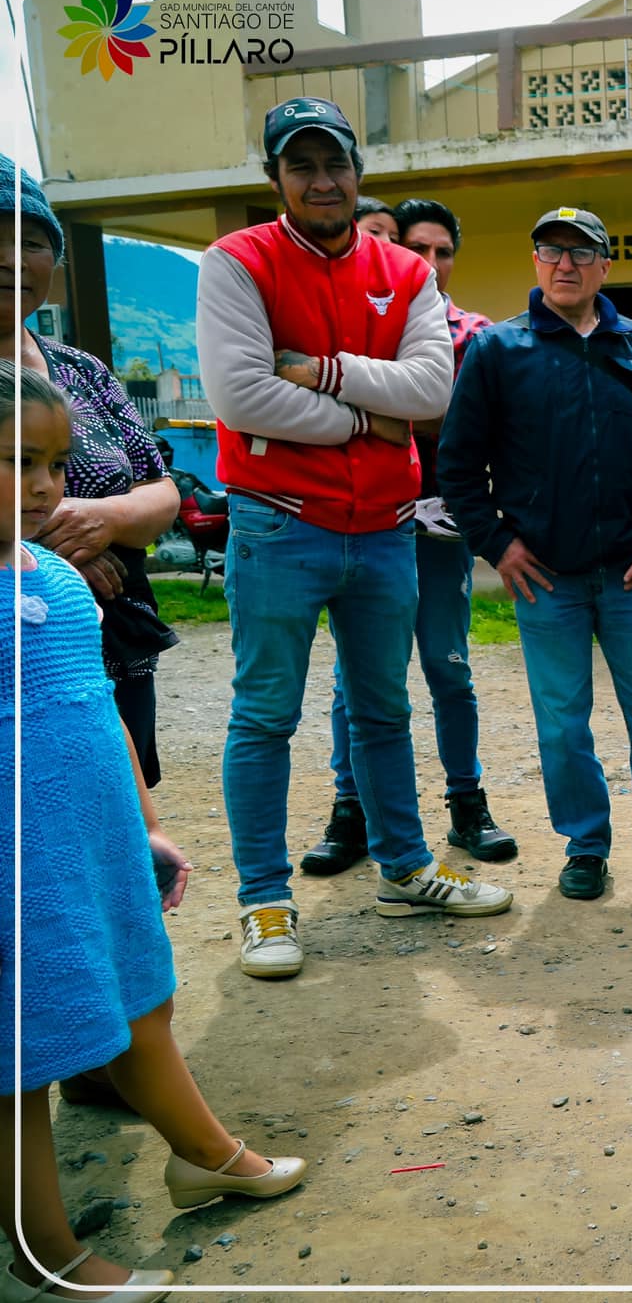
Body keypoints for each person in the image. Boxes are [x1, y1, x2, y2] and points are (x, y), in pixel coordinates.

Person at [2, 364, 309, 1303]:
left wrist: (148, 827)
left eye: (55, 462)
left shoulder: (55, 571)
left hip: (93, 851)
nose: (48, 486)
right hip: (20, 872)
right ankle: (40, 1254)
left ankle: (204, 1156)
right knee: (24, 1064)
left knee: (142, 999)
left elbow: (99, 714)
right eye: (18, 462)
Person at [195, 95, 512, 981]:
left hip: (382, 531)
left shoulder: (404, 273)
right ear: (275, 180)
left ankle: (405, 870)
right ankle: (263, 900)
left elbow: (432, 392)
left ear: (358, 172)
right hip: (278, 524)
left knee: (383, 710)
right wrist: (366, 424)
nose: (322, 180)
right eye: (301, 166)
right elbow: (240, 398)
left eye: (334, 163)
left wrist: (326, 377)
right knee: (266, 715)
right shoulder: (235, 263)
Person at [439, 207, 632, 904]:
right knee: (561, 721)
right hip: (545, 578)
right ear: (535, 263)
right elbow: (458, 465)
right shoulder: (500, 352)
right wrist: (497, 543)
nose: (565, 264)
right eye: (551, 251)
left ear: (604, 267)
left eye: (581, 253)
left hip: (631, 574)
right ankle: (586, 845)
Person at [306, 196, 514, 876]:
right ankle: (351, 811)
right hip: (362, 521)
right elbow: (317, 404)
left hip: (440, 530)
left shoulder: (476, 334)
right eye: (413, 249)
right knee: (356, 681)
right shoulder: (360, 323)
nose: (427, 263)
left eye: (441, 251)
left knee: (448, 668)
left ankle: (466, 802)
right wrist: (400, 401)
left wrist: (370, 399)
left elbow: (466, 421)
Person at [1, 153, 181, 787]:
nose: (12, 260)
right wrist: (49, 554)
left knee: (119, 808)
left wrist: (107, 517)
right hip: (14, 648)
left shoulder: (82, 371)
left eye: (30, 243)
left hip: (111, 641)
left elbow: (160, 487)